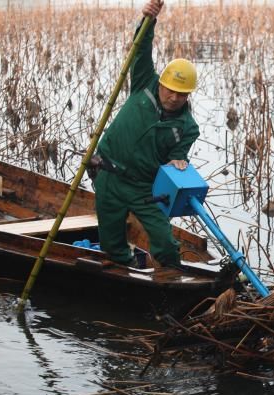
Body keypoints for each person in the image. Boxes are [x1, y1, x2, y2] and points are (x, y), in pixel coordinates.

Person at [93, 0, 199, 269]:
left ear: (188, 95)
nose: (173, 97)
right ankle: (126, 270)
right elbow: (141, 49)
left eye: (181, 93)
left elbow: (176, 158)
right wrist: (149, 20)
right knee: (111, 244)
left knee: (164, 242)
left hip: (143, 187)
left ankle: (171, 277)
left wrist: (179, 164)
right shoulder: (144, 82)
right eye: (169, 89)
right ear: (161, 83)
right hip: (108, 174)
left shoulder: (187, 127)